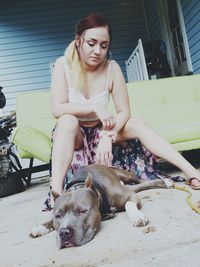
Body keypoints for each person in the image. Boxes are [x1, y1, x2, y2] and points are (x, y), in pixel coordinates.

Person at [45, 13, 200, 210]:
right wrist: (94, 107)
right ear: (78, 41)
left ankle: (191, 171)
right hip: (74, 136)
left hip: (103, 130)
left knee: (136, 122)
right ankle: (56, 193)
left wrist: (107, 136)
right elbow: (57, 108)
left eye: (103, 45)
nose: (97, 51)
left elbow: (124, 111)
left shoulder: (112, 68)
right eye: (91, 43)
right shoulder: (63, 65)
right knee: (67, 120)